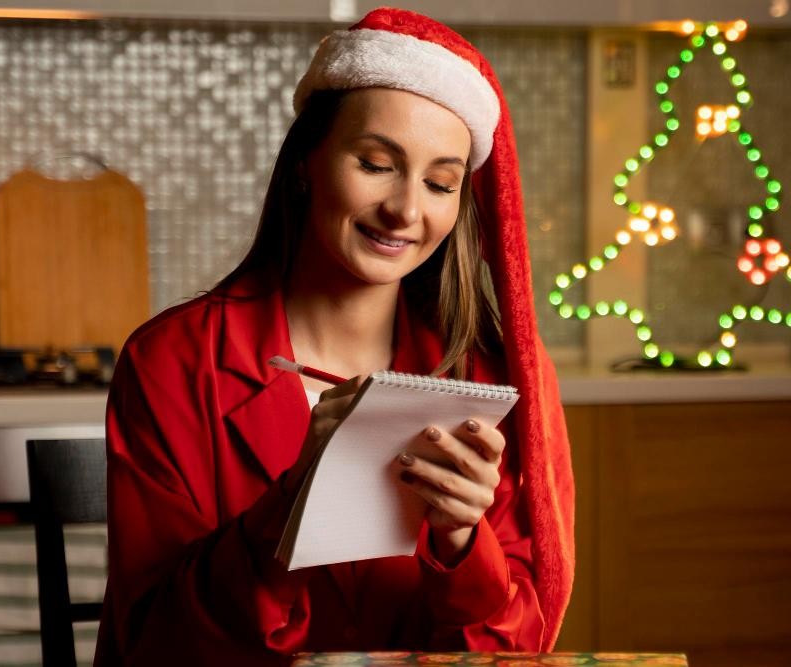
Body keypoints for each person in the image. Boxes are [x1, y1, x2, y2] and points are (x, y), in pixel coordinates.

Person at [96, 8, 574, 665]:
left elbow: (516, 650)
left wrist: (463, 541)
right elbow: (154, 645)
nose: (407, 209)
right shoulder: (172, 362)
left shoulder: (491, 377)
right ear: (306, 162)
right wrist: (291, 505)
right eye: (376, 163)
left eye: (440, 183)